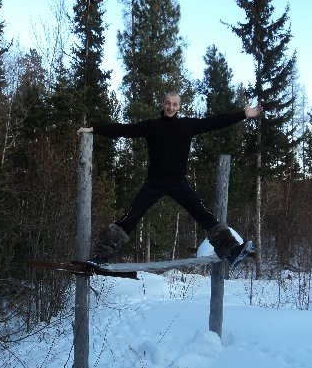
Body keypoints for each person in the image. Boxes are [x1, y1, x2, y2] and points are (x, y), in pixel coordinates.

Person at [77, 91, 263, 267]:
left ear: (179, 107)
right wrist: (93, 129)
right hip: (154, 183)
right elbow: (123, 129)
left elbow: (215, 122)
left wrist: (244, 114)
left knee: (204, 215)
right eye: (168, 103)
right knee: (130, 217)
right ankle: (101, 256)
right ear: (163, 104)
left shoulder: (187, 126)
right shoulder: (152, 126)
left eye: (174, 104)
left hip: (178, 183)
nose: (171, 107)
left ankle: (232, 251)